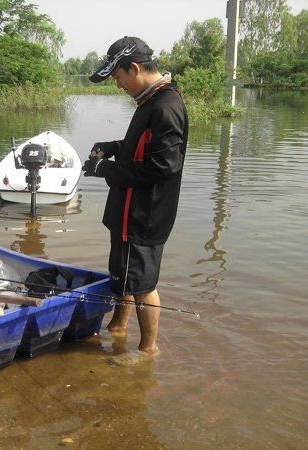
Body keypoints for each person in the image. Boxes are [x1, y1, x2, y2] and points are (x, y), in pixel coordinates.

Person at [82, 36, 189, 361]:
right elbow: (143, 145)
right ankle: (117, 327)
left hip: (143, 215)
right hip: (130, 212)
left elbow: (162, 167)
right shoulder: (151, 101)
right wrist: (115, 147)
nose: (118, 85)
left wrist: (106, 170)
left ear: (135, 68)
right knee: (125, 275)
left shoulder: (166, 106)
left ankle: (147, 350)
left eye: (118, 78)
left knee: (142, 285)